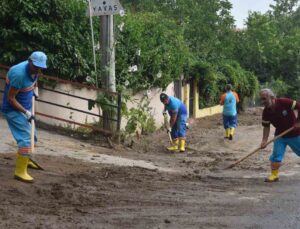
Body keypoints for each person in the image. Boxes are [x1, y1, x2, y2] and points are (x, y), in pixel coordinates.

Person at [2, 51, 47, 182]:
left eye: (41, 67)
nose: (38, 69)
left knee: (33, 137)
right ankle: (20, 172)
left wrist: (35, 90)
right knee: (26, 139)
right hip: (13, 109)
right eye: (36, 66)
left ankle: (25, 159)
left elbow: (34, 79)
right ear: (29, 61)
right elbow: (11, 98)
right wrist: (26, 113)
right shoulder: (19, 74)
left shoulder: (36, 70)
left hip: (25, 106)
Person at [260, 88, 300, 182]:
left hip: (294, 134)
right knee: (276, 156)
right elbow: (266, 127)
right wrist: (264, 140)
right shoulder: (266, 112)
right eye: (261, 99)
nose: (263, 101)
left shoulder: (284, 102)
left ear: (272, 97)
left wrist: (298, 121)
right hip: (280, 136)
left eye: (264, 99)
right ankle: (274, 175)